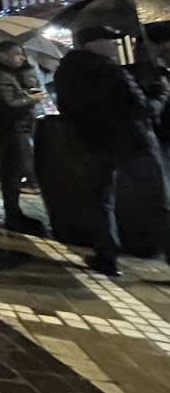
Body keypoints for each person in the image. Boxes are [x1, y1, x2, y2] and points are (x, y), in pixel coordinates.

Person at [55, 25, 170, 276]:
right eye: (111, 41)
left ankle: (106, 257)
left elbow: (64, 107)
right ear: (96, 43)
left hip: (92, 144)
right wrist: (161, 92)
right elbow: (142, 109)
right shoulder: (110, 70)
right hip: (133, 145)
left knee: (100, 203)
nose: (115, 46)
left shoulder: (66, 71)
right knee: (156, 202)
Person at [0, 41, 46, 234]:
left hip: (15, 126)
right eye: (17, 54)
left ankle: (13, 212)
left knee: (14, 169)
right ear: (3, 56)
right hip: (12, 128)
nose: (21, 57)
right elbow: (8, 102)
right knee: (15, 170)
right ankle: (13, 214)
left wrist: (25, 72)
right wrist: (30, 99)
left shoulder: (5, 71)